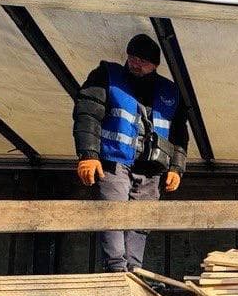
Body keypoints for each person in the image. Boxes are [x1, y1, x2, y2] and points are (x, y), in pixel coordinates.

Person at [73, 33, 190, 272]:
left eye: (143, 61)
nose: (136, 63)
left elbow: (179, 134)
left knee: (140, 221)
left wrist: (177, 168)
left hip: (152, 169)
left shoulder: (170, 91)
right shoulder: (107, 75)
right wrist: (89, 155)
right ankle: (116, 270)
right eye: (133, 57)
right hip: (114, 162)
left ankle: (134, 272)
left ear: (155, 66)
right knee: (113, 214)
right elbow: (87, 114)